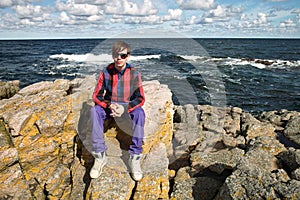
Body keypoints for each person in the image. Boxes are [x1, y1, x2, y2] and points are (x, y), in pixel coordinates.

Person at [89, 41, 146, 181]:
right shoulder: (105, 72)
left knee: (140, 113)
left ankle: (135, 156)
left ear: (128, 56)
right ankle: (100, 155)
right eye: (116, 55)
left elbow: (140, 98)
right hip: (110, 106)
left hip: (126, 106)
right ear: (113, 55)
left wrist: (125, 108)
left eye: (123, 55)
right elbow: (96, 96)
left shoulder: (134, 73)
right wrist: (109, 105)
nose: (119, 58)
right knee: (94, 111)